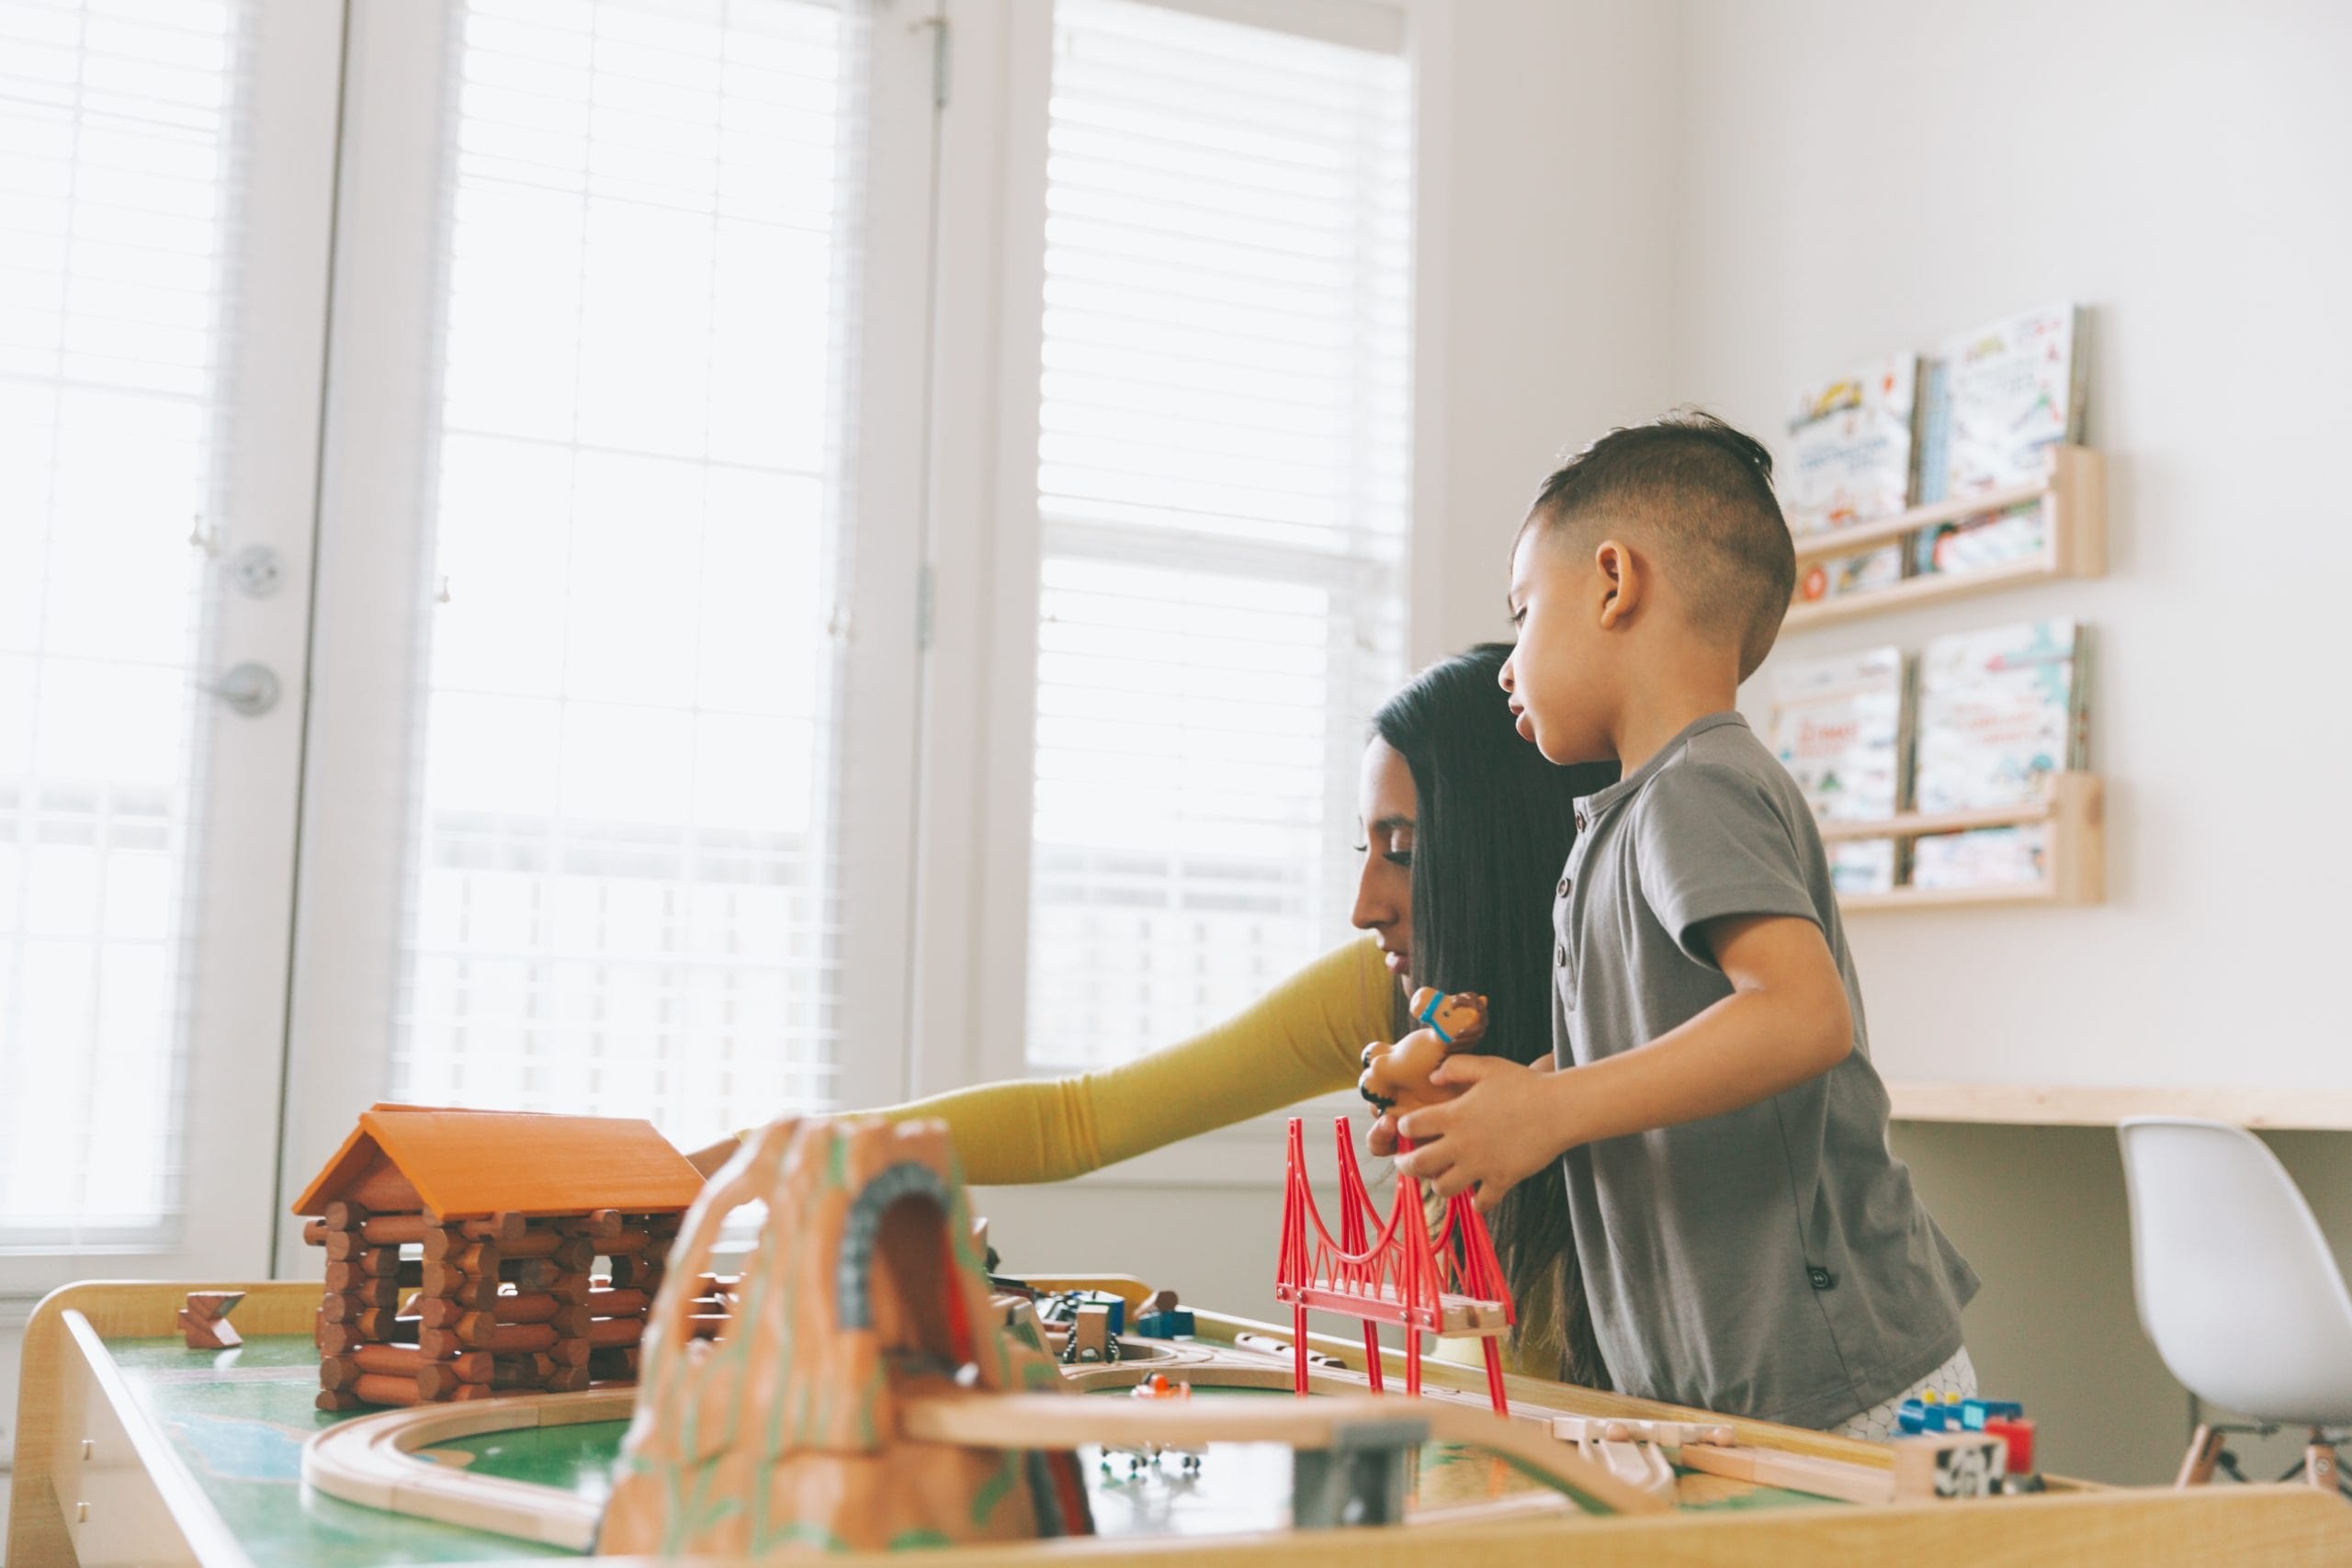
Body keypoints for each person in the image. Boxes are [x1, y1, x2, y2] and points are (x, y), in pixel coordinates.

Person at [696, 646, 1616, 1384]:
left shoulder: (1643, 1017)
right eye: (1363, 849)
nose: (1363, 902)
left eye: (1403, 851)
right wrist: (761, 1154)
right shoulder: (1380, 992)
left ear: (1498, 854)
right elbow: (1080, 1119)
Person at [1394, 413, 1977, 1438]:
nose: (1504, 663)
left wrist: (1552, 1109)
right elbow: (1669, 1062)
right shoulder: (1631, 817)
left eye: (1523, 611)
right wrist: (1517, 1106)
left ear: (1615, 583)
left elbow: (1800, 1017)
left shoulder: (1693, 787)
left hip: (1838, 1391)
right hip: (1735, 1394)